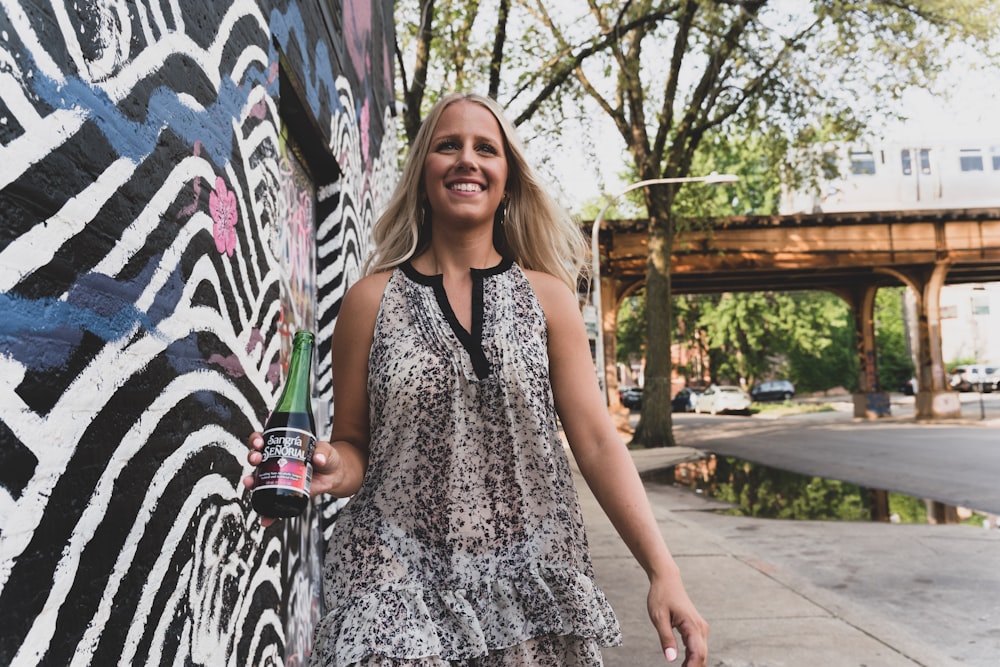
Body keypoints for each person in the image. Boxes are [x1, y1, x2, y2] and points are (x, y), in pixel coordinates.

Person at [245, 92, 708, 666]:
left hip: (529, 584)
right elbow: (356, 444)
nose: (467, 159)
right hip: (393, 584)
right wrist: (332, 465)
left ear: (507, 179)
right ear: (422, 175)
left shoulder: (550, 301)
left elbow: (594, 441)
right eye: (448, 146)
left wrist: (663, 571)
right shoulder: (369, 301)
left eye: (485, 148)